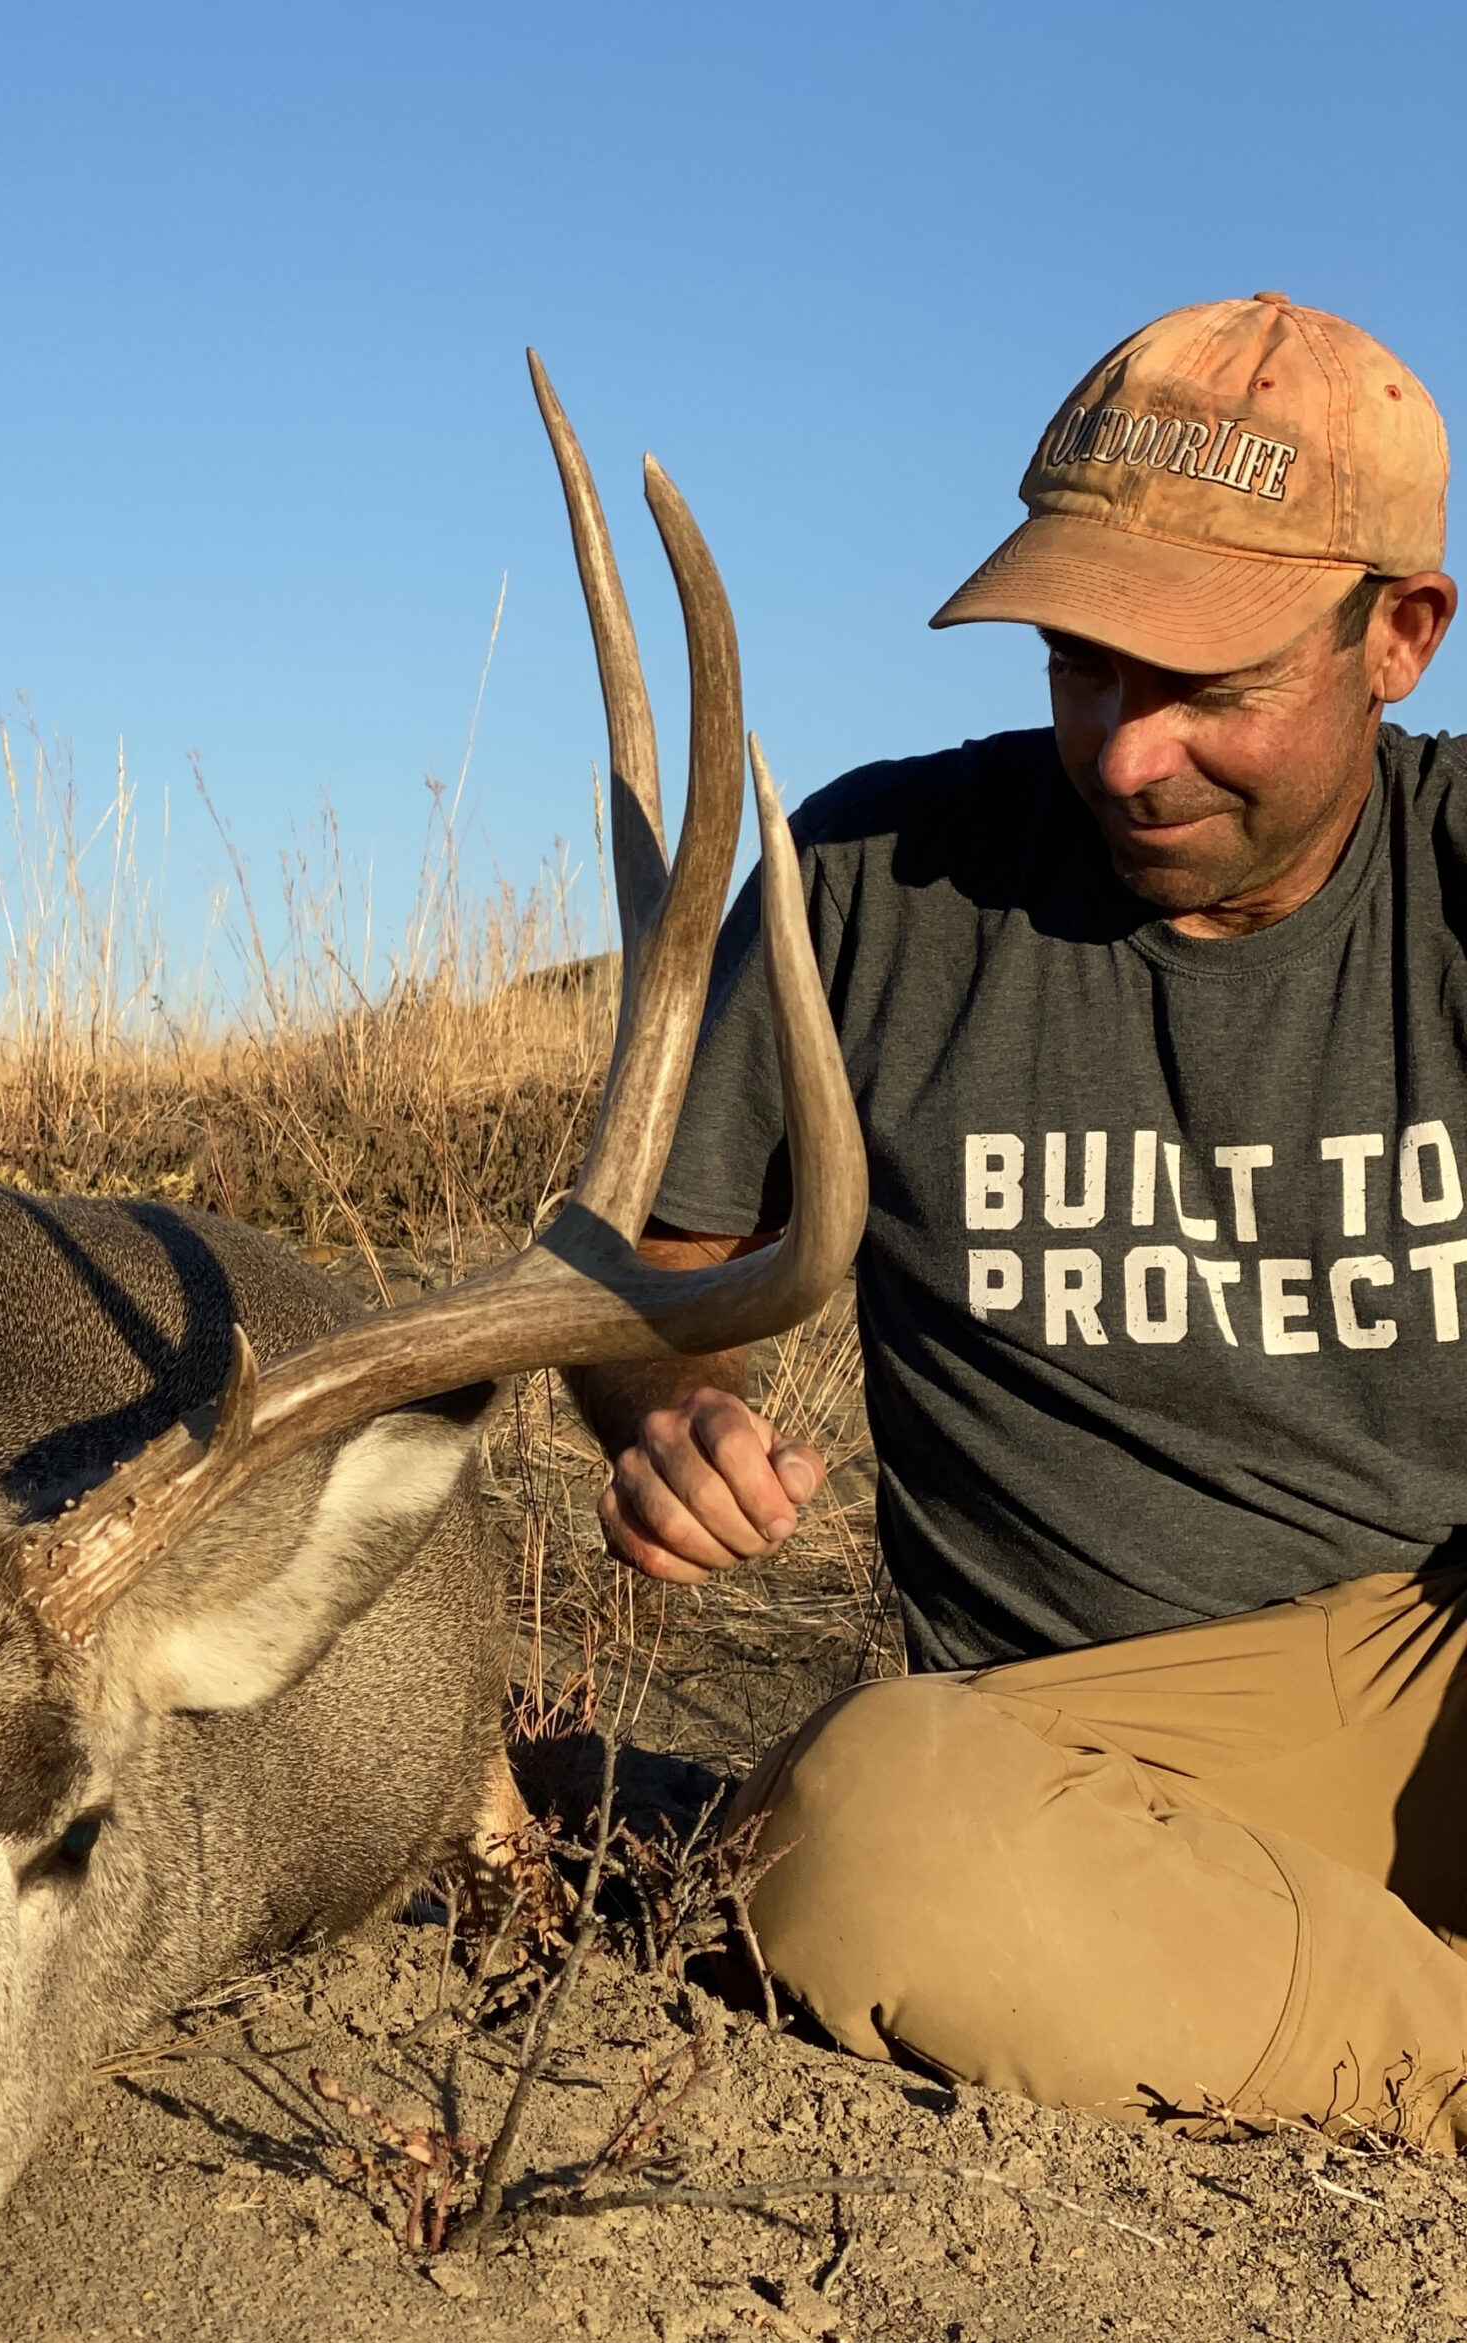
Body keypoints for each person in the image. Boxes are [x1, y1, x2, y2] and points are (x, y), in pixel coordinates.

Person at [573, 293, 1467, 2147]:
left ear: (1398, 636)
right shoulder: (871, 888)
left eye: (1211, 687)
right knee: (852, 1835)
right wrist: (669, 1410)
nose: (1127, 755)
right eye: (1082, 665)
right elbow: (649, 1253)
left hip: (1444, 1656)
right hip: (1068, 1746)